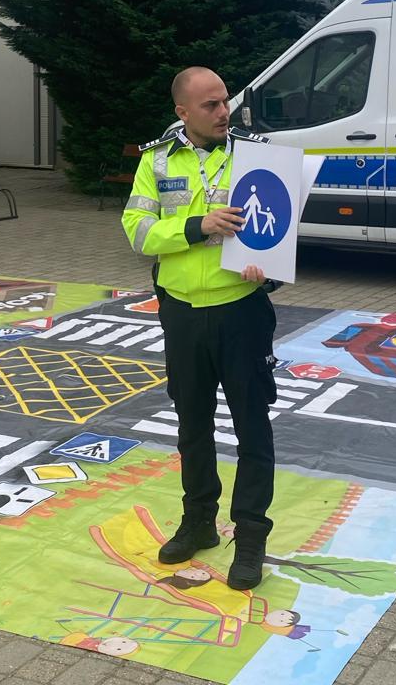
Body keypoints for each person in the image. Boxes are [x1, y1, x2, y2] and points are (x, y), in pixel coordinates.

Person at [122, 67, 280, 591]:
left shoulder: (256, 155)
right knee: (192, 425)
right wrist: (197, 226)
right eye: (210, 105)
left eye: (225, 101)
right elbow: (138, 231)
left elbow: (280, 226)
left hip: (241, 311)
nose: (222, 112)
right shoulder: (156, 160)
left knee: (252, 427)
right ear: (182, 112)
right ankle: (198, 522)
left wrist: (269, 269)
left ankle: (251, 537)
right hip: (182, 312)